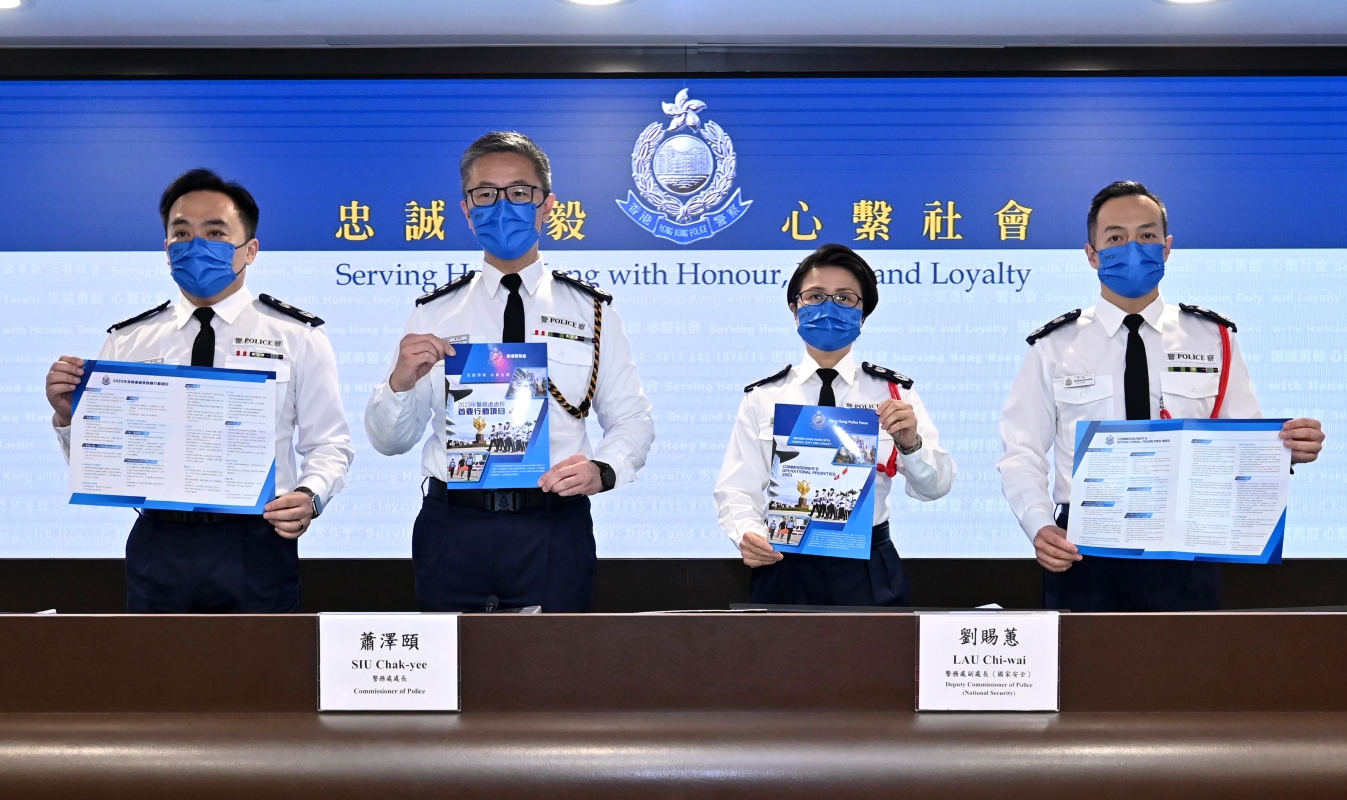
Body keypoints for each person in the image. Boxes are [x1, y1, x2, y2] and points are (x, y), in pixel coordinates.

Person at [997, 180, 1325, 612]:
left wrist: (1286, 450)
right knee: (1089, 659)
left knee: (1187, 656)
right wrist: (1039, 525)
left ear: (1167, 248)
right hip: (1085, 549)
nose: (1133, 248)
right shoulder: (1054, 345)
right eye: (1116, 238)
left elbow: (1242, 443)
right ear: (1092, 254)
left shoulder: (1213, 337)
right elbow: (1021, 451)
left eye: (1147, 235)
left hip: (1186, 546)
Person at [365, 131, 654, 613]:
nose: (503, 206)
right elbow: (390, 441)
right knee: (453, 662)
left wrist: (603, 469)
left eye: (520, 192)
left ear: (547, 205)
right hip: (453, 529)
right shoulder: (434, 313)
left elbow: (633, 419)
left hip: (552, 528)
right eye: (485, 194)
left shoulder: (591, 312)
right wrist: (399, 383)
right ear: (466, 211)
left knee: (554, 661)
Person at [43, 168, 353, 613]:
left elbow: (330, 444)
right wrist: (68, 417)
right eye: (182, 233)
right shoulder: (129, 340)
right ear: (167, 248)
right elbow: (105, 460)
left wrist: (310, 496)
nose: (195, 245)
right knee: (157, 659)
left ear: (250, 250)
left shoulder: (296, 336)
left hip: (255, 543)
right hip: (158, 542)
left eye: (215, 232)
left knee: (258, 660)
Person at [714, 244, 956, 606]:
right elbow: (737, 487)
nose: (829, 307)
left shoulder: (893, 392)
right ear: (795, 308)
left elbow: (935, 488)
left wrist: (910, 443)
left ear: (863, 314)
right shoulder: (764, 396)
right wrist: (748, 534)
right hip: (784, 563)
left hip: (868, 566)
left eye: (844, 298)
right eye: (815, 296)